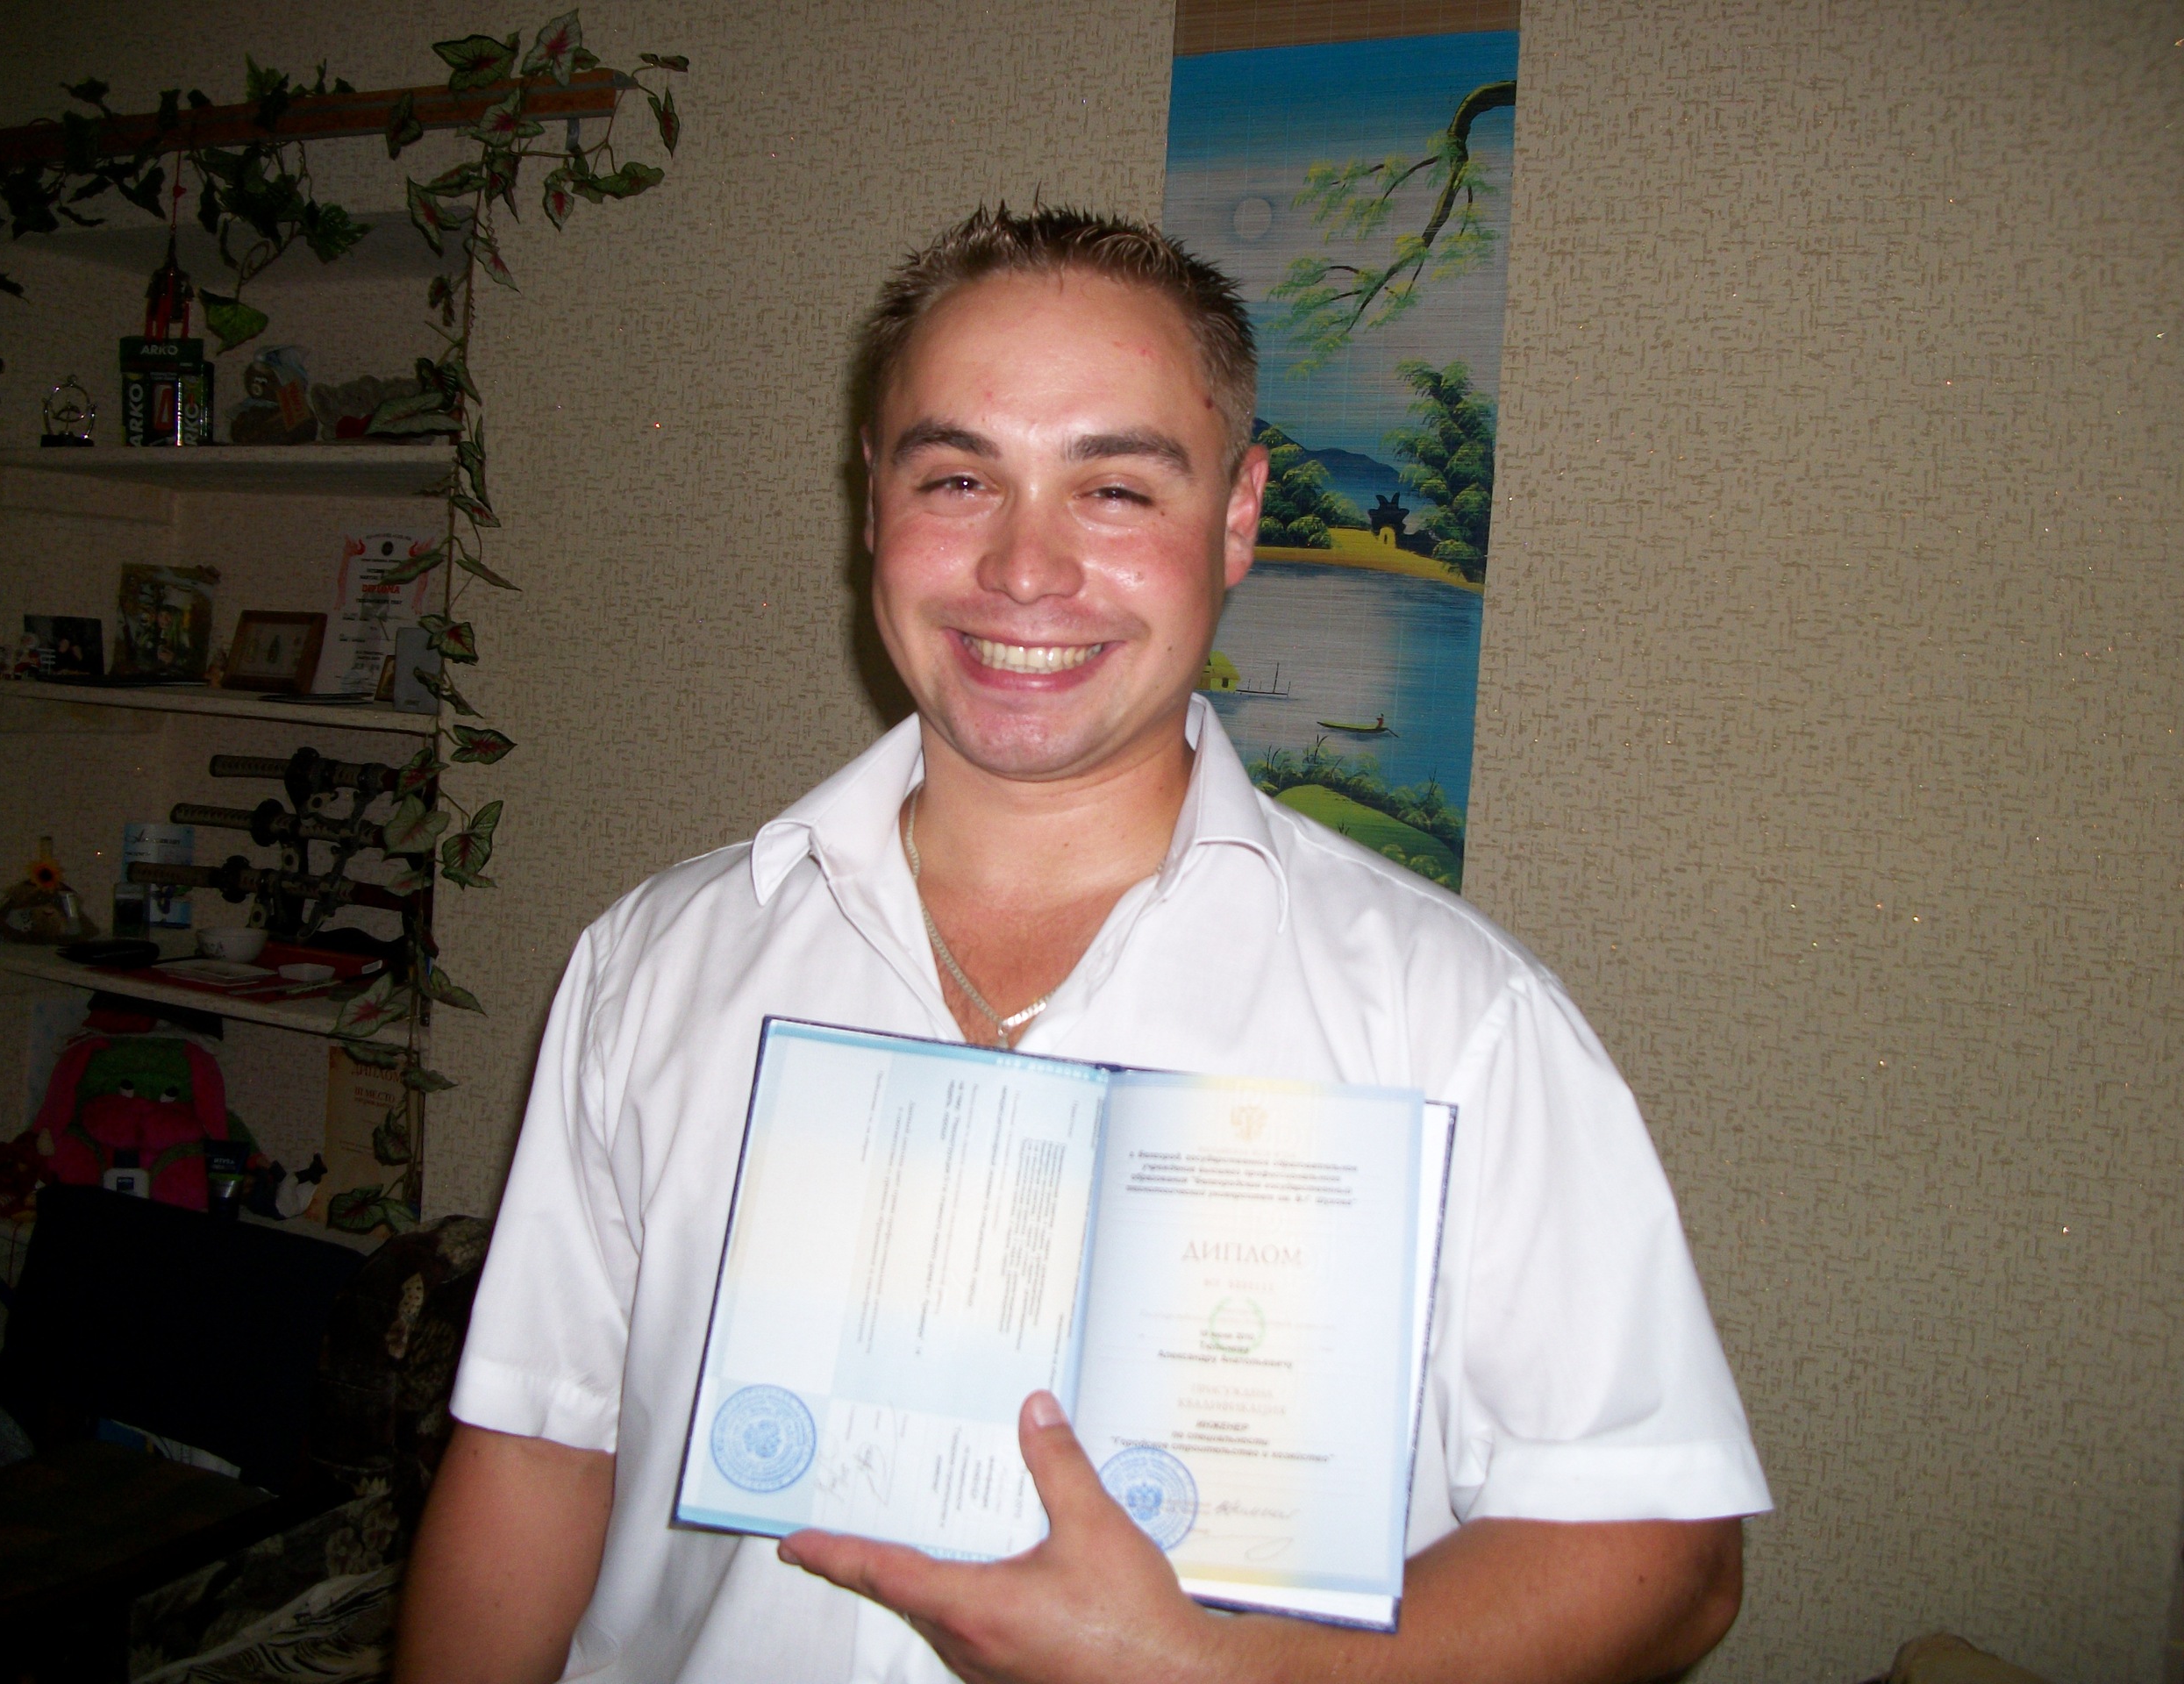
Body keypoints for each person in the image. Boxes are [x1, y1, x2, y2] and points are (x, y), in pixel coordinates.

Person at [396, 206, 1771, 1684]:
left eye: (1113, 488)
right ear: (872, 502)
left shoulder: (1456, 1022)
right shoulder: (652, 967)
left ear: (1236, 516)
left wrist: (1216, 1679)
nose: (1024, 568)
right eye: (957, 478)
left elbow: (1664, 1557)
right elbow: (539, 1450)